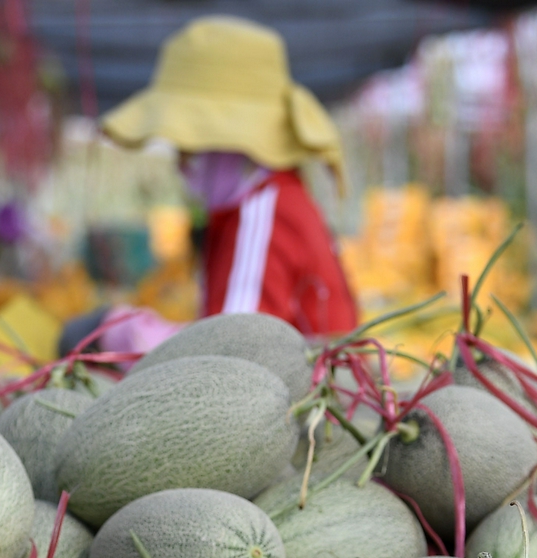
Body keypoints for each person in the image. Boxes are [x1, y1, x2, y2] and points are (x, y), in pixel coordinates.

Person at [101, 17, 358, 338]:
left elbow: (232, 355)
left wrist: (139, 336)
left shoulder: (265, 214)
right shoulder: (271, 201)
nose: (181, 162)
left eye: (189, 144)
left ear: (230, 143)